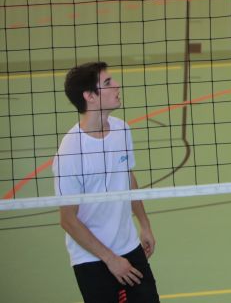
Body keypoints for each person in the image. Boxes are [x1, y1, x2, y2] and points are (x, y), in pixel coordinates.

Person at [54, 62, 160, 303]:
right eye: (108, 83)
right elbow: (67, 219)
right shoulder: (70, 151)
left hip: (129, 246)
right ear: (90, 96)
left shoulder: (122, 129)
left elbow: (128, 178)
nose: (117, 86)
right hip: (91, 257)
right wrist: (111, 260)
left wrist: (144, 225)